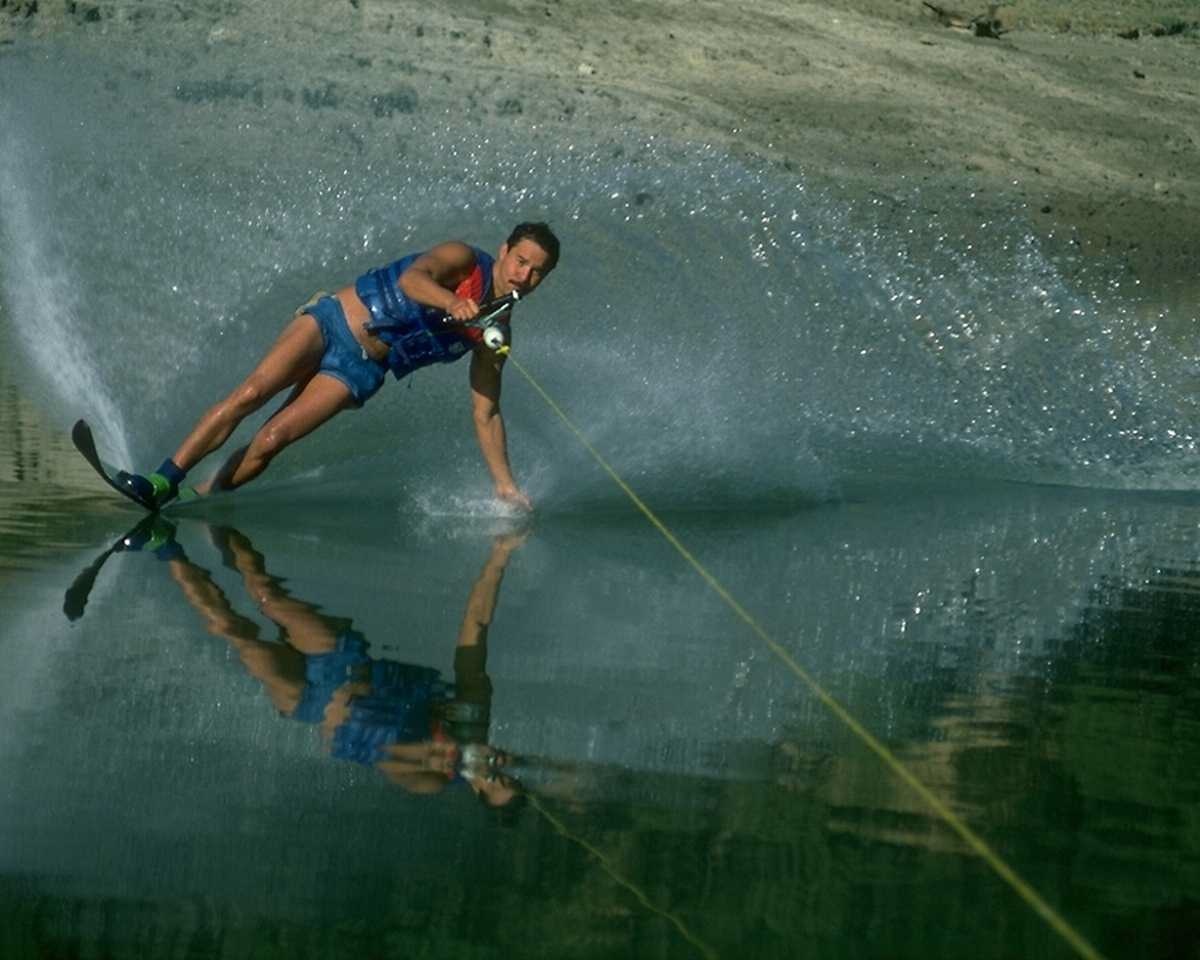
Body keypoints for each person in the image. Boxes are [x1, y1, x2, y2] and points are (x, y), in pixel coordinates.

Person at [117, 222, 560, 511]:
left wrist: (505, 486)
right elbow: (413, 279)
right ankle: (162, 481)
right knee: (250, 395)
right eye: (520, 261)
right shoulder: (463, 258)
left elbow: (487, 412)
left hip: (360, 368)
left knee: (272, 439)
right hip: (333, 322)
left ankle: (194, 500)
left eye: (537, 272)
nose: (524, 276)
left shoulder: (494, 337)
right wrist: (451, 301)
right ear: (503, 251)